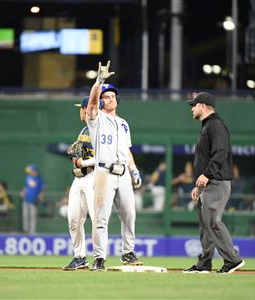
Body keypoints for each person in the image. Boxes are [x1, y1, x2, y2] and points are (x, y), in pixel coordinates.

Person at [86, 60, 143, 271]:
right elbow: (91, 104)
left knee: (129, 214)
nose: (110, 99)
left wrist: (134, 170)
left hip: (123, 173)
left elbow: (126, 151)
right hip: (104, 172)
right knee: (101, 217)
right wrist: (99, 82)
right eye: (106, 96)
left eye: (112, 96)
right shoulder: (96, 118)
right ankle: (99, 257)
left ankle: (128, 253)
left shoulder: (123, 123)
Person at [183, 92, 245, 274]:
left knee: (213, 222)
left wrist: (207, 175)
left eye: (193, 105)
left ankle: (233, 260)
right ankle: (204, 263)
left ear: (202, 105)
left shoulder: (216, 125)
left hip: (217, 182)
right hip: (208, 182)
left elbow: (220, 152)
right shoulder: (208, 125)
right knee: (206, 224)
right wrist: (198, 185)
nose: (192, 109)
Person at [62, 96, 102, 270]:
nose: (80, 111)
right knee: (73, 219)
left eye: (81, 108)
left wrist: (83, 163)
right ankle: (80, 257)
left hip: (95, 177)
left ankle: (99, 258)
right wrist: (76, 159)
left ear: (87, 109)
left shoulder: (101, 129)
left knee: (96, 219)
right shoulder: (84, 130)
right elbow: (77, 154)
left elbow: (104, 156)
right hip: (79, 178)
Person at [20, 164, 44, 235]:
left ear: (34, 171)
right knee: (25, 215)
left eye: (30, 171)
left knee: (32, 217)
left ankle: (32, 232)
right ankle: (26, 231)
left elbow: (42, 191)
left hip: (34, 201)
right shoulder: (28, 177)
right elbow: (26, 187)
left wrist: (39, 199)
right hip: (26, 200)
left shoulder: (39, 179)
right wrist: (22, 193)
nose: (28, 172)